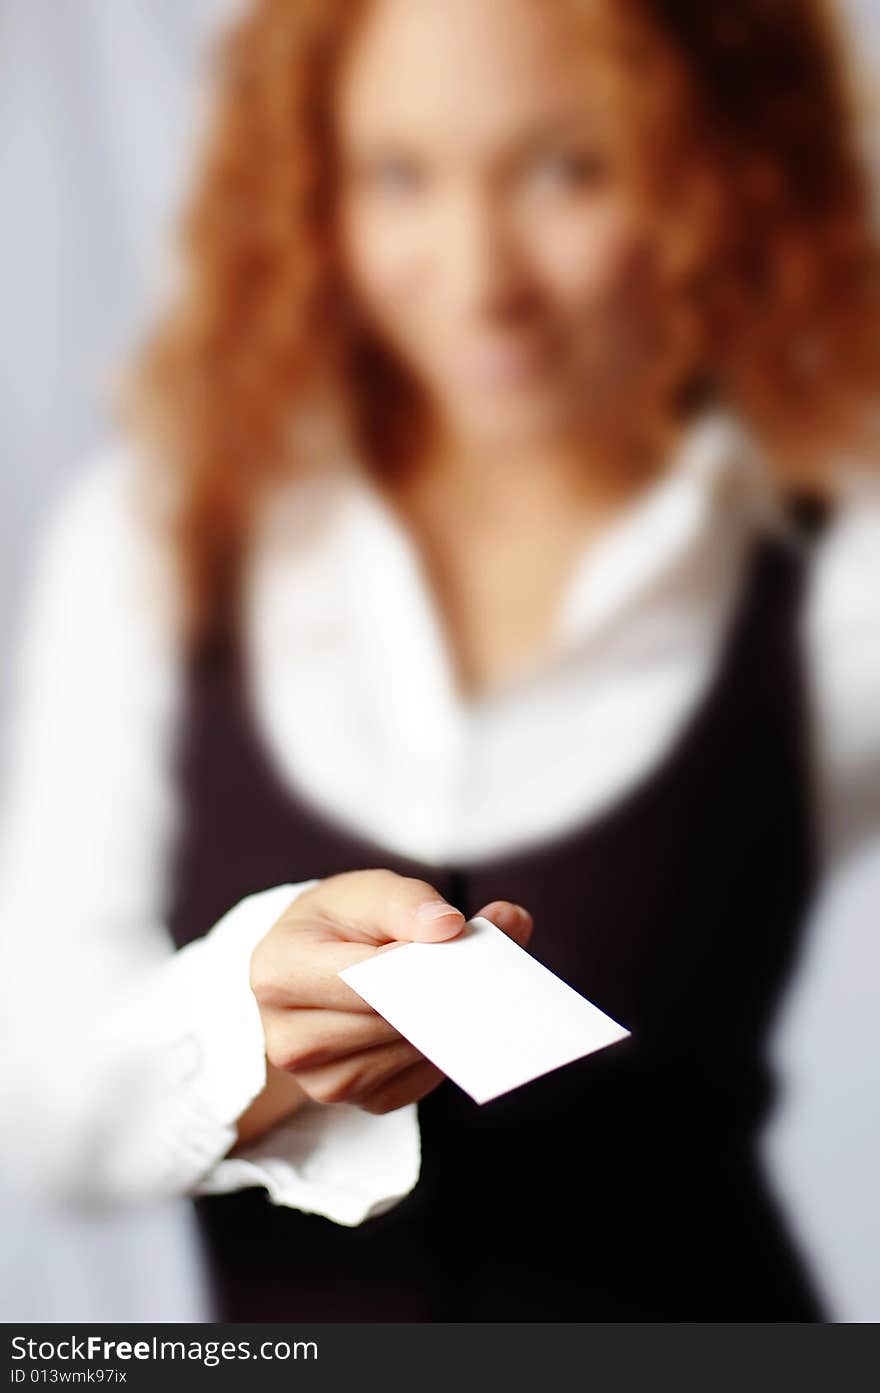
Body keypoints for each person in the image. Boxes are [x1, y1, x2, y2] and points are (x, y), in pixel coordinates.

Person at [1, 0, 879, 1321]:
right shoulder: (154, 537)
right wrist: (246, 1015)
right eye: (397, 174)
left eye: (568, 169)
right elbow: (35, 1105)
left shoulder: (833, 558)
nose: (481, 281)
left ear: (721, 164)